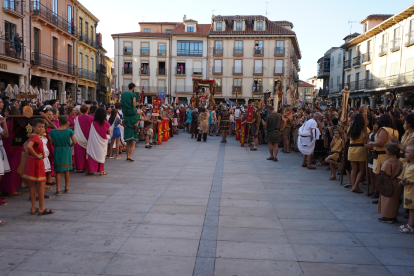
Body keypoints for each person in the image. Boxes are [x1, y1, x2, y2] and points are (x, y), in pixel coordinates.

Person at [22, 118, 54, 216]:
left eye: (42, 127)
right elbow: (28, 146)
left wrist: (31, 154)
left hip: (31, 161)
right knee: (41, 185)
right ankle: (41, 208)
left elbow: (25, 145)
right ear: (33, 127)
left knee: (32, 185)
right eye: (39, 127)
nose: (41, 129)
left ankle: (33, 207)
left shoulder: (33, 136)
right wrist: (36, 155)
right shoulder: (36, 137)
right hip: (38, 161)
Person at [49, 115, 76, 195]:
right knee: (67, 170)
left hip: (57, 149)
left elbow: (51, 142)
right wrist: (69, 146)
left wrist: (56, 144)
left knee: (58, 170)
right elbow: (74, 142)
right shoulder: (69, 131)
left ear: (59, 122)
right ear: (67, 122)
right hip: (66, 149)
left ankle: (58, 189)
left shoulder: (53, 132)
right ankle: (66, 187)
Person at [377, 143, 403, 224]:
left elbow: (384, 175)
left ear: (388, 152)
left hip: (388, 184)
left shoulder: (388, 162)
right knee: (394, 201)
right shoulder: (399, 161)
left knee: (387, 200)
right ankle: (393, 216)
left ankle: (388, 216)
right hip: (396, 183)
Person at [0, 106, 22, 197]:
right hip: (13, 148)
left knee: (7, 169)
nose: (5, 113)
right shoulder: (12, 123)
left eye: (6, 112)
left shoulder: (9, 123)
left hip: (10, 147)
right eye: (4, 111)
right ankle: (10, 189)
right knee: (12, 168)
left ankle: (6, 188)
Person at [348, 113, 369, 193]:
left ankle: (354, 185)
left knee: (354, 169)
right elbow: (366, 141)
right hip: (360, 149)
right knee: (361, 170)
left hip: (352, 149)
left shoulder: (350, 128)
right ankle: (355, 185)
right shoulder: (365, 129)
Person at [87, 108, 111, 175]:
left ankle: (91, 170)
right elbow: (109, 132)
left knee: (93, 154)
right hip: (103, 141)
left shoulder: (93, 123)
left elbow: (91, 133)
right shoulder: (106, 123)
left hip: (94, 142)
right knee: (102, 155)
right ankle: (101, 171)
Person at [120, 83, 141, 162]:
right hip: (132, 111)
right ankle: (136, 124)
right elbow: (134, 104)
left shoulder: (123, 94)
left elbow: (121, 103)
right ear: (133, 88)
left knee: (128, 142)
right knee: (140, 115)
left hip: (125, 112)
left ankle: (127, 156)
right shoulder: (133, 94)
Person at [398, 145, 414, 233]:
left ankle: (411, 226)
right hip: (408, 190)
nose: (405, 153)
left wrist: (408, 182)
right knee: (410, 208)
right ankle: (409, 224)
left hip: (412, 190)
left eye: (408, 152)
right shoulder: (409, 164)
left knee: (412, 209)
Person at [74, 105, 93, 171]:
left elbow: (75, 128)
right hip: (88, 136)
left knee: (80, 153)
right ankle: (87, 167)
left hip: (79, 137)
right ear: (87, 110)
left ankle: (80, 167)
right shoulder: (90, 118)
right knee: (87, 152)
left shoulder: (77, 118)